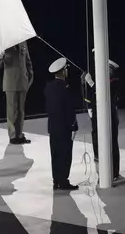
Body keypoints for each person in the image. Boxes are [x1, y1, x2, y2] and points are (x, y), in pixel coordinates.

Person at [84, 55, 123, 182]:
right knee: (97, 140)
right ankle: (101, 169)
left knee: (111, 144)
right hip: (98, 116)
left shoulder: (113, 81)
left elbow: (102, 93)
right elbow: (92, 95)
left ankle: (115, 173)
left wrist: (91, 83)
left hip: (109, 117)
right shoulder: (102, 80)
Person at [44, 58, 80, 191]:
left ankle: (56, 181)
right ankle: (63, 181)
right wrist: (73, 126)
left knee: (55, 154)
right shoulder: (65, 88)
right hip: (64, 127)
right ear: (63, 71)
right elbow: (69, 110)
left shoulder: (48, 87)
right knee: (65, 154)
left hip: (53, 127)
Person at [0, 41, 34, 144]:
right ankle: (13, 136)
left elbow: (28, 61)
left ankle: (19, 135)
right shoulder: (4, 44)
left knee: (21, 111)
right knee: (12, 112)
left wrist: (30, 77)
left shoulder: (23, 42)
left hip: (22, 81)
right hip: (10, 82)